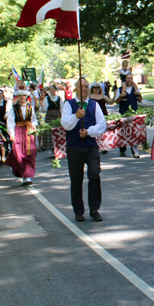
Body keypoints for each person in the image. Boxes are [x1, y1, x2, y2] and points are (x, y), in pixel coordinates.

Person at [61, 78, 107, 222]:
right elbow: (65, 124)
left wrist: (88, 132)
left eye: (87, 86)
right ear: (76, 88)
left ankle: (94, 209)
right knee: (76, 179)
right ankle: (78, 211)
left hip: (90, 146)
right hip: (74, 147)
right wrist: (76, 116)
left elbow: (102, 124)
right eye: (82, 87)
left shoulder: (94, 105)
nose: (85, 89)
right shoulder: (69, 105)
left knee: (94, 175)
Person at [6, 90, 38, 186]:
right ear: (18, 97)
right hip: (18, 131)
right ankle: (23, 172)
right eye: (20, 95)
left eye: (24, 95)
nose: (22, 97)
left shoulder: (30, 107)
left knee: (30, 153)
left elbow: (34, 119)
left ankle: (27, 175)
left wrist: (33, 125)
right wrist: (11, 134)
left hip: (28, 131)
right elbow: (10, 122)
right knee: (18, 153)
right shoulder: (14, 108)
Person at [114, 73, 142, 158]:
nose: (129, 80)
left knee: (134, 133)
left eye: (131, 78)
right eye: (128, 78)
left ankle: (135, 152)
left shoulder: (136, 89)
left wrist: (139, 94)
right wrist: (121, 96)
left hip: (134, 113)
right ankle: (122, 150)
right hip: (123, 113)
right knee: (123, 133)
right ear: (125, 80)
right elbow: (117, 101)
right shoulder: (120, 89)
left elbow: (140, 100)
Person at [90, 82, 114, 154]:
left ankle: (103, 147)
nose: (96, 89)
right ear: (92, 89)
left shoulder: (103, 96)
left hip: (103, 115)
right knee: (95, 130)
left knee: (103, 131)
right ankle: (95, 146)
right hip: (93, 115)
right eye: (95, 88)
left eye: (98, 88)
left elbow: (111, 102)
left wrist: (115, 96)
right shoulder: (89, 96)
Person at [39, 84, 64, 154]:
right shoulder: (46, 99)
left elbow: (62, 108)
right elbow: (45, 109)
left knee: (58, 131)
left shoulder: (59, 98)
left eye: (53, 89)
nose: (52, 91)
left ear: (56, 90)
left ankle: (58, 148)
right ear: (49, 91)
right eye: (50, 89)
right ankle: (53, 148)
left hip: (57, 116)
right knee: (50, 132)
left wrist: (62, 117)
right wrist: (41, 106)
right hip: (49, 116)